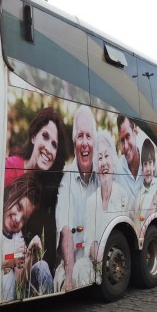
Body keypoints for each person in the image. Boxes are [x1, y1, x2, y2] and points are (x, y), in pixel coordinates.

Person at [54, 105, 98, 291]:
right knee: (64, 278)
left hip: (96, 260)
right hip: (72, 263)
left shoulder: (104, 177)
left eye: (89, 136)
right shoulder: (66, 181)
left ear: (95, 141)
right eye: (80, 136)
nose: (85, 142)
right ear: (74, 143)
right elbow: (66, 229)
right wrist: (70, 276)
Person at [1, 173, 53, 302]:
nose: (17, 219)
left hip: (12, 291)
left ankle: (49, 310)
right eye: (18, 207)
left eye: (24, 219)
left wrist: (30, 255)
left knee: (43, 266)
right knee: (6, 277)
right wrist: (10, 260)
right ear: (11, 193)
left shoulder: (17, 236)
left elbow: (20, 280)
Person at [84, 131, 129, 276]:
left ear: (114, 161)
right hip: (94, 263)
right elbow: (88, 240)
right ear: (96, 166)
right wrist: (96, 252)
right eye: (99, 158)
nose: (103, 163)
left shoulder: (123, 196)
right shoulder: (91, 202)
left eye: (107, 156)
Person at [5, 107, 68, 187]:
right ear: (34, 137)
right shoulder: (8, 167)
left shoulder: (51, 188)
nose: (48, 149)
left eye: (54, 145)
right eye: (45, 136)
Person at [116, 115, 144, 202]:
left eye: (128, 137)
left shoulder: (149, 161)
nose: (125, 146)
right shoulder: (117, 170)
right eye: (122, 140)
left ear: (134, 131)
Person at [136, 138, 157, 222]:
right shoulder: (139, 195)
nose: (148, 169)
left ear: (154, 165)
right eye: (145, 164)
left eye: (150, 163)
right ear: (142, 168)